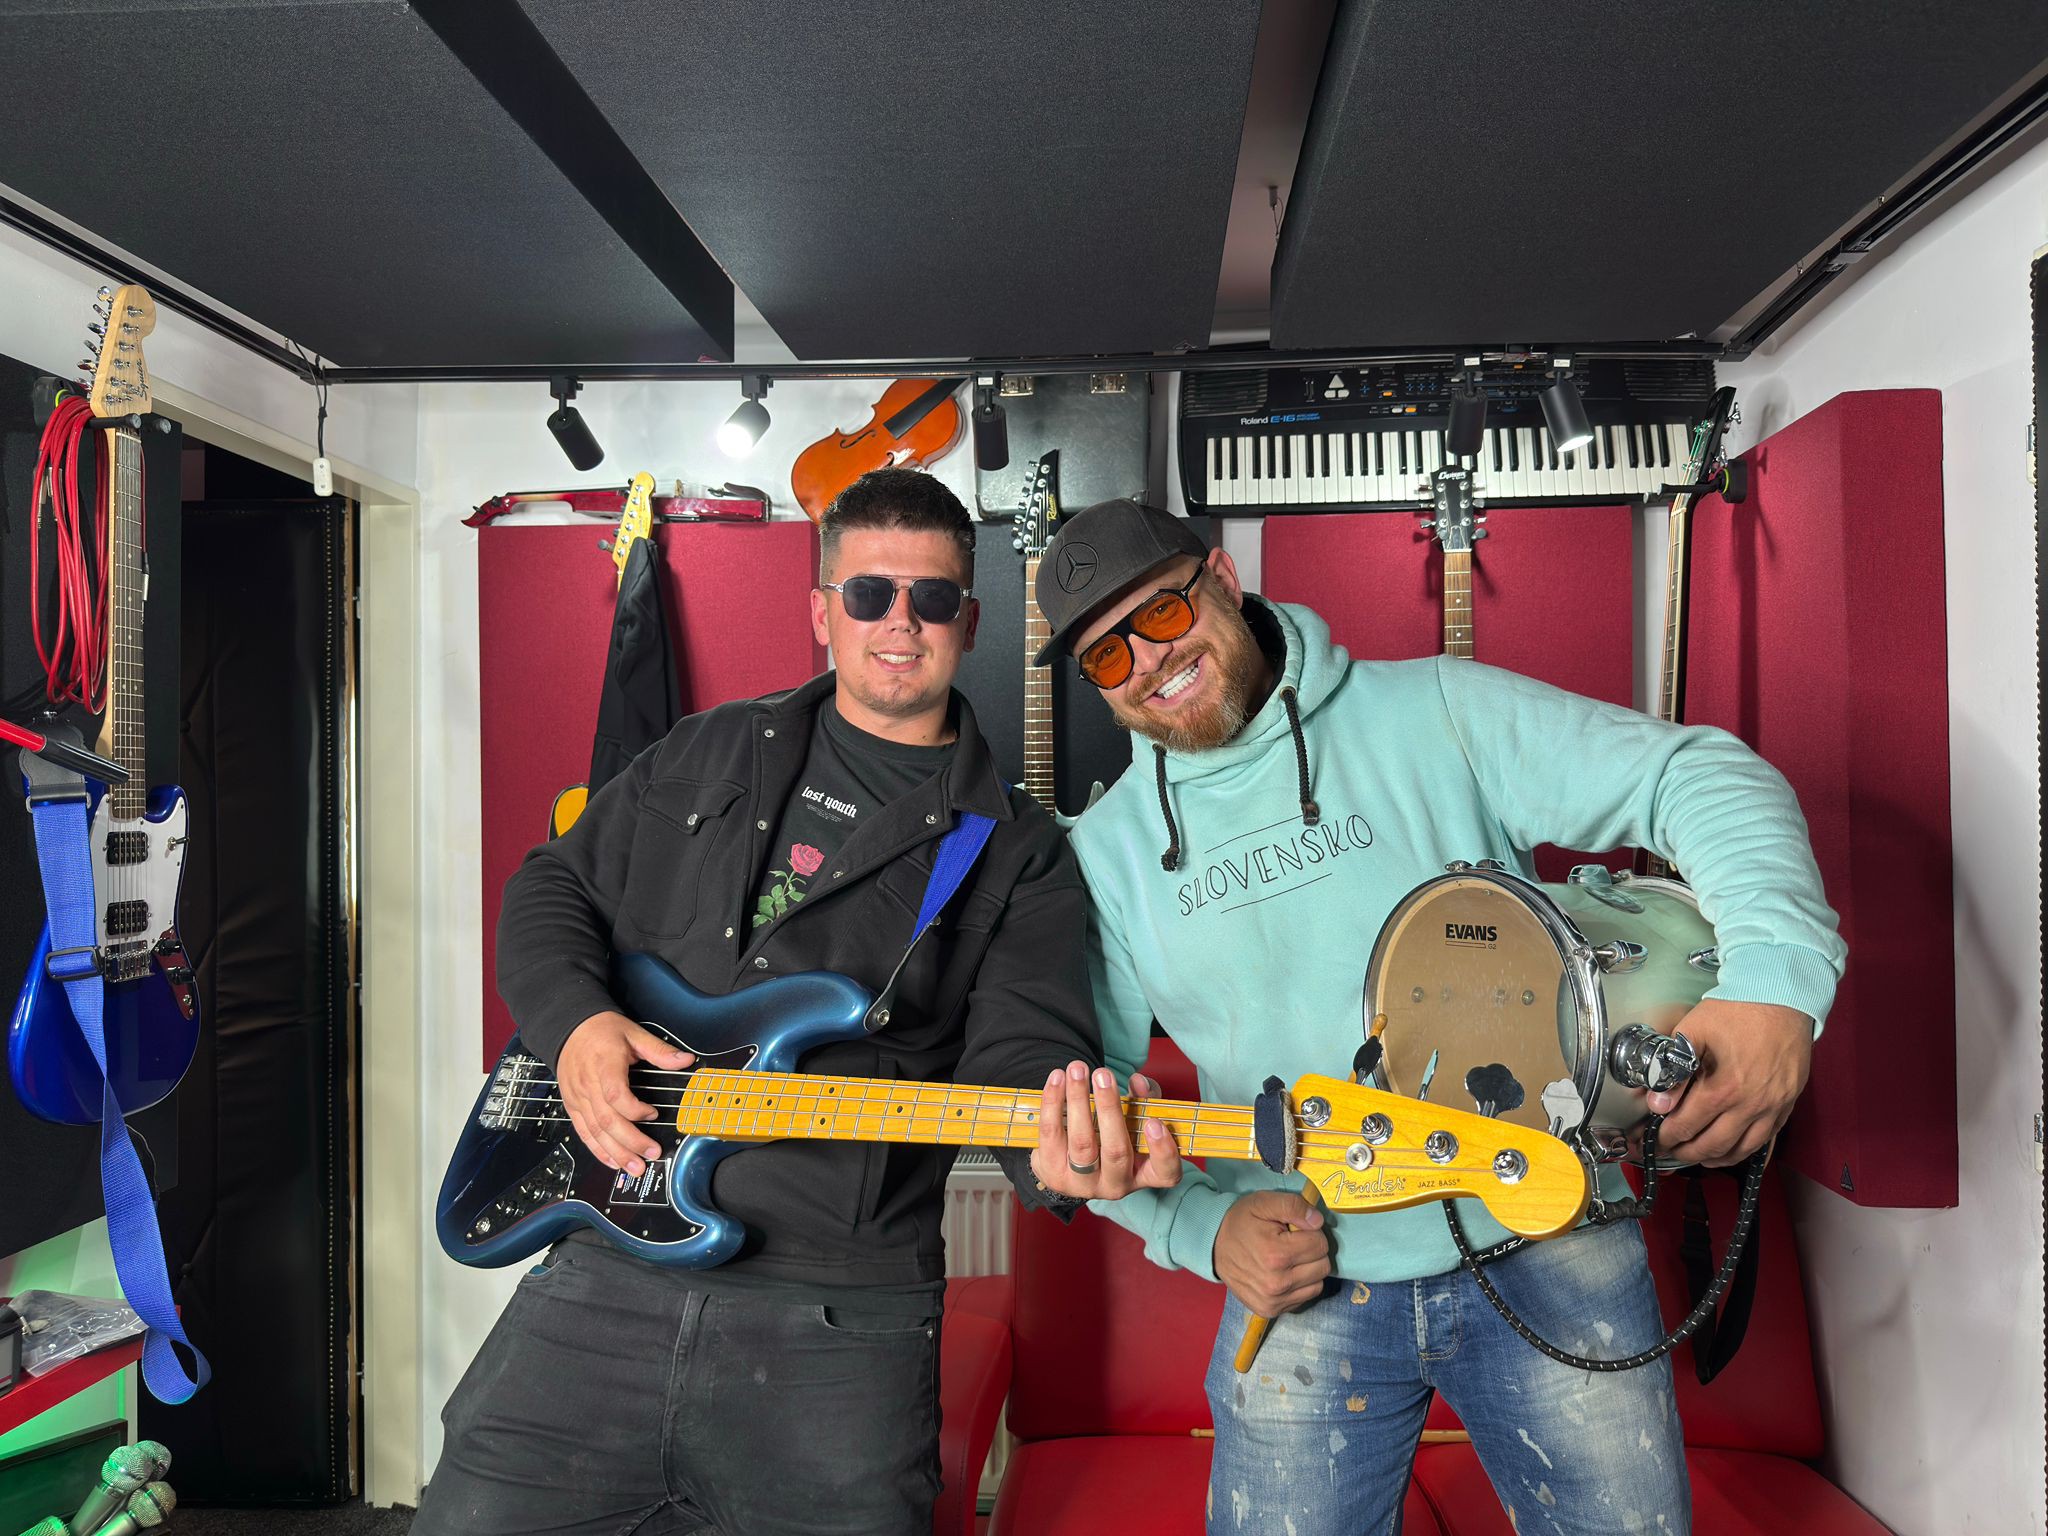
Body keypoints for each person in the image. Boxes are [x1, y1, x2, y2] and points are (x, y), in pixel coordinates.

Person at [1033, 498, 1846, 1536]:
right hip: (1303, 1278)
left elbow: (1699, 775)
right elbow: (1086, 1106)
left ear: (1223, 584)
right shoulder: (1102, 855)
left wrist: (1773, 985)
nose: (1147, 662)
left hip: (1546, 1231)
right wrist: (1200, 1230)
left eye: (1160, 614)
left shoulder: (1437, 709)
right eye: (1106, 657)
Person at [413, 469, 1173, 1536]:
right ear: (822, 612)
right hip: (600, 1274)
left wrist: (1061, 1153)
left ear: (970, 623)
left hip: (838, 1324)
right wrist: (576, 1026)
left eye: (932, 598)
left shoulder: (1017, 851)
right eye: (868, 594)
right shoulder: (707, 747)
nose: (899, 622)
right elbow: (552, 887)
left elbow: (1023, 1057)